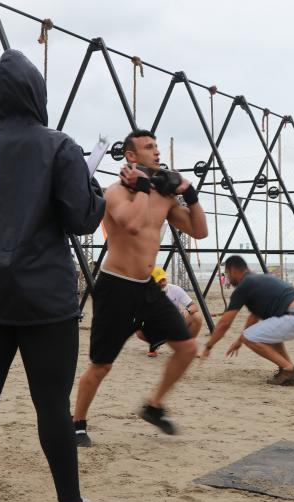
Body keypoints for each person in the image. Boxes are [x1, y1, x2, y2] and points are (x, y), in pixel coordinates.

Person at [0, 50, 109, 502]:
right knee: (51, 405)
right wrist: (94, 185)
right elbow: (83, 218)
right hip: (45, 297)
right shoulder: (59, 147)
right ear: (38, 94)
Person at [73, 129, 207, 446]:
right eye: (149, 147)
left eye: (157, 146)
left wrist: (190, 194)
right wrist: (145, 188)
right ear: (131, 156)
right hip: (115, 288)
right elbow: (132, 225)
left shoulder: (164, 197)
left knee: (187, 348)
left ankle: (154, 406)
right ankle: (77, 422)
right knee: (101, 365)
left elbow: (199, 231)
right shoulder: (116, 192)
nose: (157, 151)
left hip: (147, 288)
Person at [201, 255, 294, 385]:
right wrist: (239, 341)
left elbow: (225, 323)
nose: (227, 278)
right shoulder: (259, 279)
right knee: (268, 335)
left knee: (249, 337)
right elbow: (254, 316)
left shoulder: (244, 286)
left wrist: (209, 346)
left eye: (227, 274)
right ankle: (287, 367)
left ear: (233, 270)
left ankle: (289, 369)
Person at [139, 267, 202, 356]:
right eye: (159, 281)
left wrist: (187, 310)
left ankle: (188, 346)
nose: (163, 283)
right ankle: (155, 344)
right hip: (158, 325)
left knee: (197, 316)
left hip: (176, 322)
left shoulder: (175, 289)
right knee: (139, 329)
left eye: (163, 279)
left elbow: (194, 306)